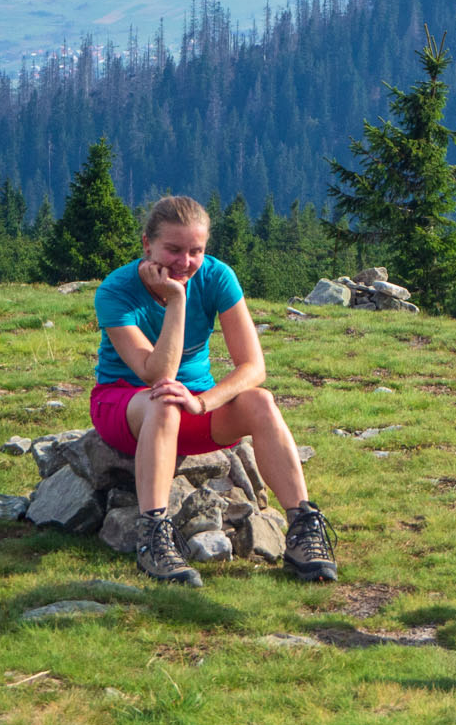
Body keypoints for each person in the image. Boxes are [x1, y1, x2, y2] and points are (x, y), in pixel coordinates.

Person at [90, 195, 337, 587]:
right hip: (125, 404)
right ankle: (154, 534)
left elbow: (254, 366)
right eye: (173, 250)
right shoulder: (116, 291)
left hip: (194, 403)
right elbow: (157, 374)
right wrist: (176, 299)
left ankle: (303, 527)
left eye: (196, 251)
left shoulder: (218, 276)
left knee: (261, 402)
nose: (185, 262)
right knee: (164, 401)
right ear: (147, 245)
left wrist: (203, 401)